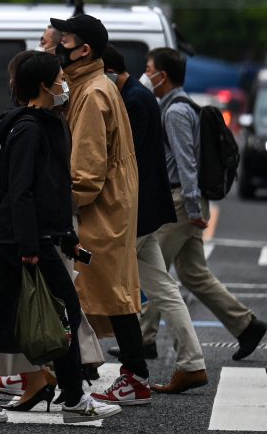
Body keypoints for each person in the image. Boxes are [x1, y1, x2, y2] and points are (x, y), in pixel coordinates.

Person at [0, 51, 121, 425]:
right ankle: (74, 401)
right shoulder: (28, 127)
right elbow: (21, 192)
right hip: (23, 238)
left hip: (27, 235)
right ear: (44, 85)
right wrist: (31, 246)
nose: (65, 83)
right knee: (66, 311)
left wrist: (67, 236)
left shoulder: (45, 122)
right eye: (60, 77)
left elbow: (53, 190)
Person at [141, 47, 267, 362]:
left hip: (182, 202)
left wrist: (194, 210)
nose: (147, 74)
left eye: (149, 68)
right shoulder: (176, 106)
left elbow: (186, 163)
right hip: (186, 200)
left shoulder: (175, 112)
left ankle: (143, 338)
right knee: (194, 274)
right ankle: (246, 325)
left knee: (153, 269)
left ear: (163, 75)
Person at [49, 14, 150, 407]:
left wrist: (64, 205)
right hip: (111, 204)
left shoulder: (91, 93)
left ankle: (129, 376)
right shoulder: (96, 85)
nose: (60, 46)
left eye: (65, 40)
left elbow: (87, 171)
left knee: (103, 294)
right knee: (111, 293)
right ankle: (112, 374)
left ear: (84, 49)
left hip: (100, 209)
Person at [101, 45, 208, 393]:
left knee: (103, 281)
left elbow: (129, 159)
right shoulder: (143, 98)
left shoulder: (134, 101)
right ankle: (192, 363)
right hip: (147, 209)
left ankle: (87, 364)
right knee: (163, 288)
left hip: (134, 208)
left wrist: (193, 207)